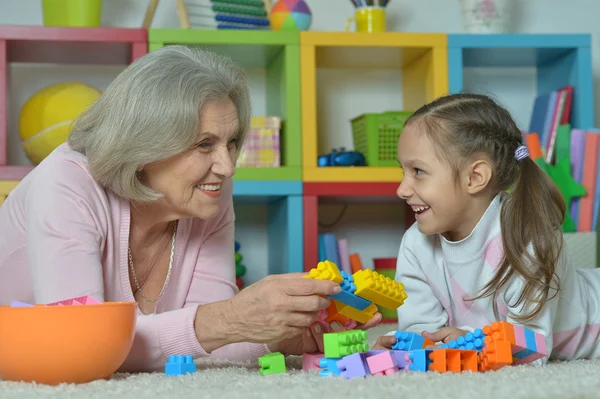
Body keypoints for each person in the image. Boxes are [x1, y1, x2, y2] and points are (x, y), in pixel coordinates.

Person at [0, 45, 381, 372]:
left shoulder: (206, 197)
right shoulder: (66, 182)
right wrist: (228, 318)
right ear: (143, 145)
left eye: (231, 142)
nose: (227, 166)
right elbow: (79, 345)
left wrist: (282, 335)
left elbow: (210, 339)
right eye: (204, 144)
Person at [372, 92, 600, 364]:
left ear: (475, 177)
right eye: (403, 172)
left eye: (418, 172)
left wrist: (469, 340)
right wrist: (404, 347)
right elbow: (424, 331)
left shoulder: (529, 239)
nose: (402, 189)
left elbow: (533, 347)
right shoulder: (416, 244)